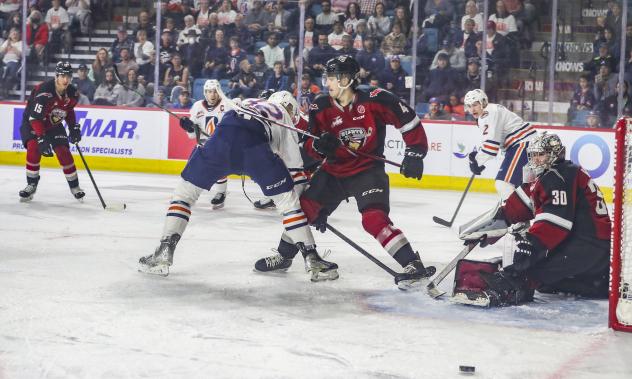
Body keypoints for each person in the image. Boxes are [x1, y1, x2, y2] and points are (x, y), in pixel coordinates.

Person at [255, 55, 436, 290]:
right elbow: (310, 147)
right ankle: (284, 256)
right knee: (303, 211)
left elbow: (408, 119)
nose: (326, 82)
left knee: (374, 219)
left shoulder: (376, 99)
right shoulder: (320, 106)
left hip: (367, 171)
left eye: (331, 77)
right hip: (334, 171)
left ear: (346, 79)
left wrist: (415, 152)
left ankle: (413, 263)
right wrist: (319, 147)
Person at [138, 92, 339, 281]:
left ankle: (164, 250)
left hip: (223, 139)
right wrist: (305, 205)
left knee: (184, 195)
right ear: (292, 111)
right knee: (289, 205)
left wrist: (193, 131)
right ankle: (312, 259)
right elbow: (296, 171)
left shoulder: (247, 102)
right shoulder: (286, 120)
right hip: (255, 150)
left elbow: (219, 135)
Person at [455, 133, 611, 307]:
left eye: (541, 154)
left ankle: (599, 283)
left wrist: (532, 244)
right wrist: (493, 225)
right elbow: (520, 205)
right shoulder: (549, 174)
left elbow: (555, 222)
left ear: (555, 154)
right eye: (533, 154)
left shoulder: (559, 176)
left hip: (590, 246)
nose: (536, 159)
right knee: (542, 280)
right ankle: (594, 282)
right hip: (583, 242)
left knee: (530, 272)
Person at [18, 61, 84, 202]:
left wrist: (73, 127)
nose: (65, 80)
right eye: (62, 76)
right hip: (32, 123)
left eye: (68, 76)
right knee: (34, 147)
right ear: (56, 76)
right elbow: (35, 118)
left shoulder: (73, 92)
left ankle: (75, 187)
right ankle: (31, 185)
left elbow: (69, 110)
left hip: (53, 124)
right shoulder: (44, 92)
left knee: (63, 151)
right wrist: (41, 138)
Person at [464, 89, 536, 200]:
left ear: (483, 102)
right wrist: (478, 159)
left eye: (475, 105)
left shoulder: (488, 113)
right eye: (469, 106)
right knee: (521, 187)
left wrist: (476, 161)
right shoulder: (491, 111)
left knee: (504, 185)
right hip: (526, 144)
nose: (472, 109)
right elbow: (490, 142)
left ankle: (513, 214)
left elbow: (491, 149)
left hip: (522, 144)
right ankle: (521, 214)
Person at [180, 79, 237, 208]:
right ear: (205, 93)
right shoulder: (197, 106)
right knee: (191, 169)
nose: (212, 95)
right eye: (209, 92)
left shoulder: (227, 105)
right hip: (203, 145)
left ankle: (221, 193)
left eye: (215, 91)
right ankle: (186, 194)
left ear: (219, 92)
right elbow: (192, 135)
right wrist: (189, 127)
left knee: (219, 168)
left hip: (221, 145)